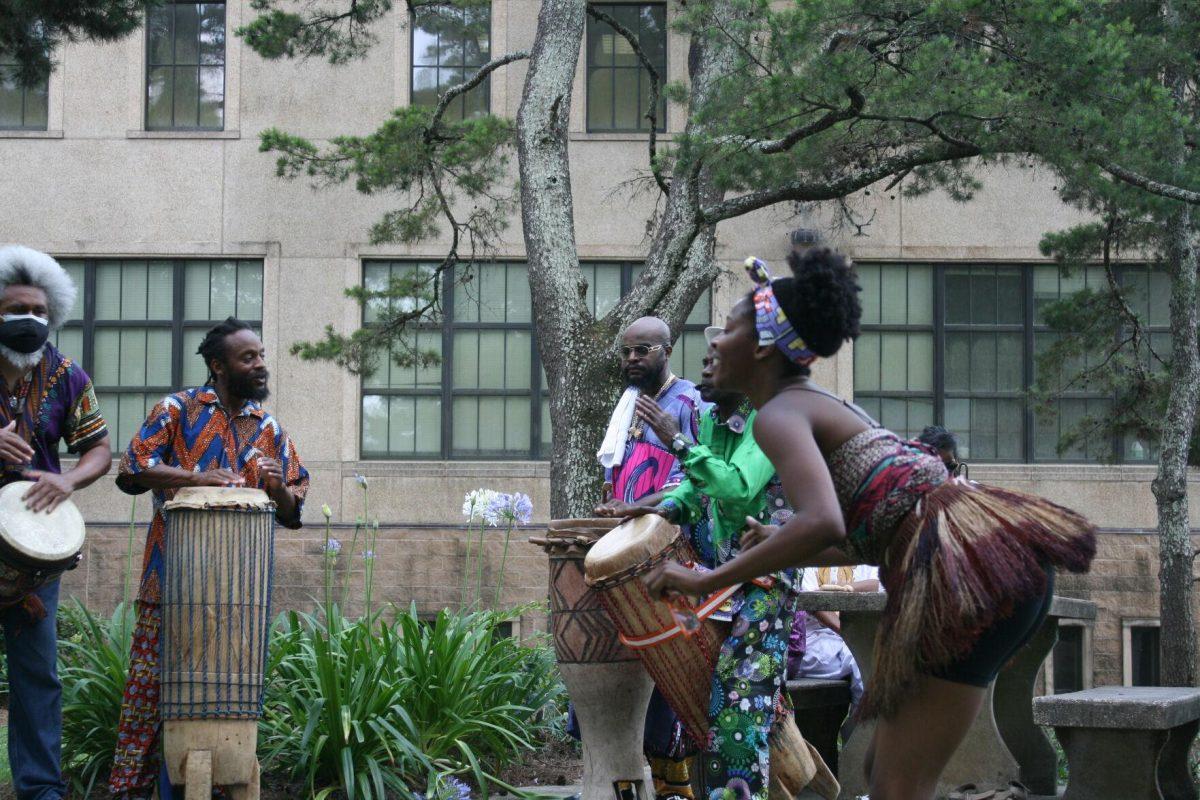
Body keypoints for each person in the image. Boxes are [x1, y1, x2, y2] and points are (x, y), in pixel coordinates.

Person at [647, 250, 1096, 800]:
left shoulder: (782, 415)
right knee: (881, 772)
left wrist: (704, 580)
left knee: (895, 784)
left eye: (731, 327)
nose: (714, 342)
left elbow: (821, 520)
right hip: (991, 566)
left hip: (968, 575)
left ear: (763, 346)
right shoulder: (811, 404)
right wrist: (781, 543)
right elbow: (865, 528)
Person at [109, 318, 310, 799]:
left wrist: (279, 486)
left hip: (240, 596)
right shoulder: (177, 409)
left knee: (227, 702)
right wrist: (196, 477)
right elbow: (133, 467)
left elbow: (294, 509)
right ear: (218, 366)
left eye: (261, 355)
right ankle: (135, 791)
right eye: (248, 358)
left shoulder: (270, 428)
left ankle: (222, 784)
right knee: (150, 696)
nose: (260, 364)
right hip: (170, 581)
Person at [602, 334, 804, 800]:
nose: (705, 371)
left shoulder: (769, 421)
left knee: (737, 707)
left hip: (767, 579)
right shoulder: (714, 419)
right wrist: (659, 510)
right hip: (726, 579)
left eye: (716, 361)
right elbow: (699, 487)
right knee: (724, 700)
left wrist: (676, 440)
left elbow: (735, 486)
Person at [0, 246, 112, 800]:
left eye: (40, 311)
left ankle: (41, 789)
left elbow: (98, 449)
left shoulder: (68, 375)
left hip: (34, 554)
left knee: (38, 676)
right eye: (16, 308)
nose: (30, 319)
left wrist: (69, 480)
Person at [592, 316, 702, 800]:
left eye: (643, 350)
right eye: (627, 352)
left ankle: (675, 786)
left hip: (673, 552)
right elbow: (621, 472)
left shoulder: (690, 401)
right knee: (628, 668)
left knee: (670, 673)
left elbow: (695, 477)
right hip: (632, 549)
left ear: (667, 350)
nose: (632, 359)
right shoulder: (628, 405)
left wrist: (640, 509)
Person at [793, 566, 881, 725]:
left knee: (872, 660)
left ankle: (863, 728)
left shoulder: (862, 551)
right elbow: (812, 600)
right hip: (813, 641)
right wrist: (846, 632)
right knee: (861, 661)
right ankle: (864, 730)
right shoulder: (808, 553)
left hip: (853, 636)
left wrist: (847, 589)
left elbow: (877, 583)